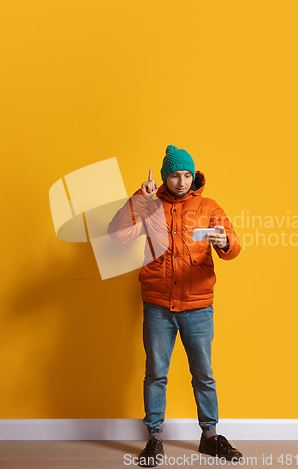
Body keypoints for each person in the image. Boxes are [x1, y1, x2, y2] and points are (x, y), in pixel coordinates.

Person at [107, 145, 243, 466]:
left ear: (193, 175)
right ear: (165, 177)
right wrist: (140, 197)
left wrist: (225, 242)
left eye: (186, 174)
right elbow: (117, 234)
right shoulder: (150, 207)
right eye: (174, 175)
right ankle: (154, 439)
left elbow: (233, 244)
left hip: (198, 306)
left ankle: (210, 437)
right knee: (155, 373)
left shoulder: (208, 206)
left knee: (203, 373)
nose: (181, 181)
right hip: (158, 305)